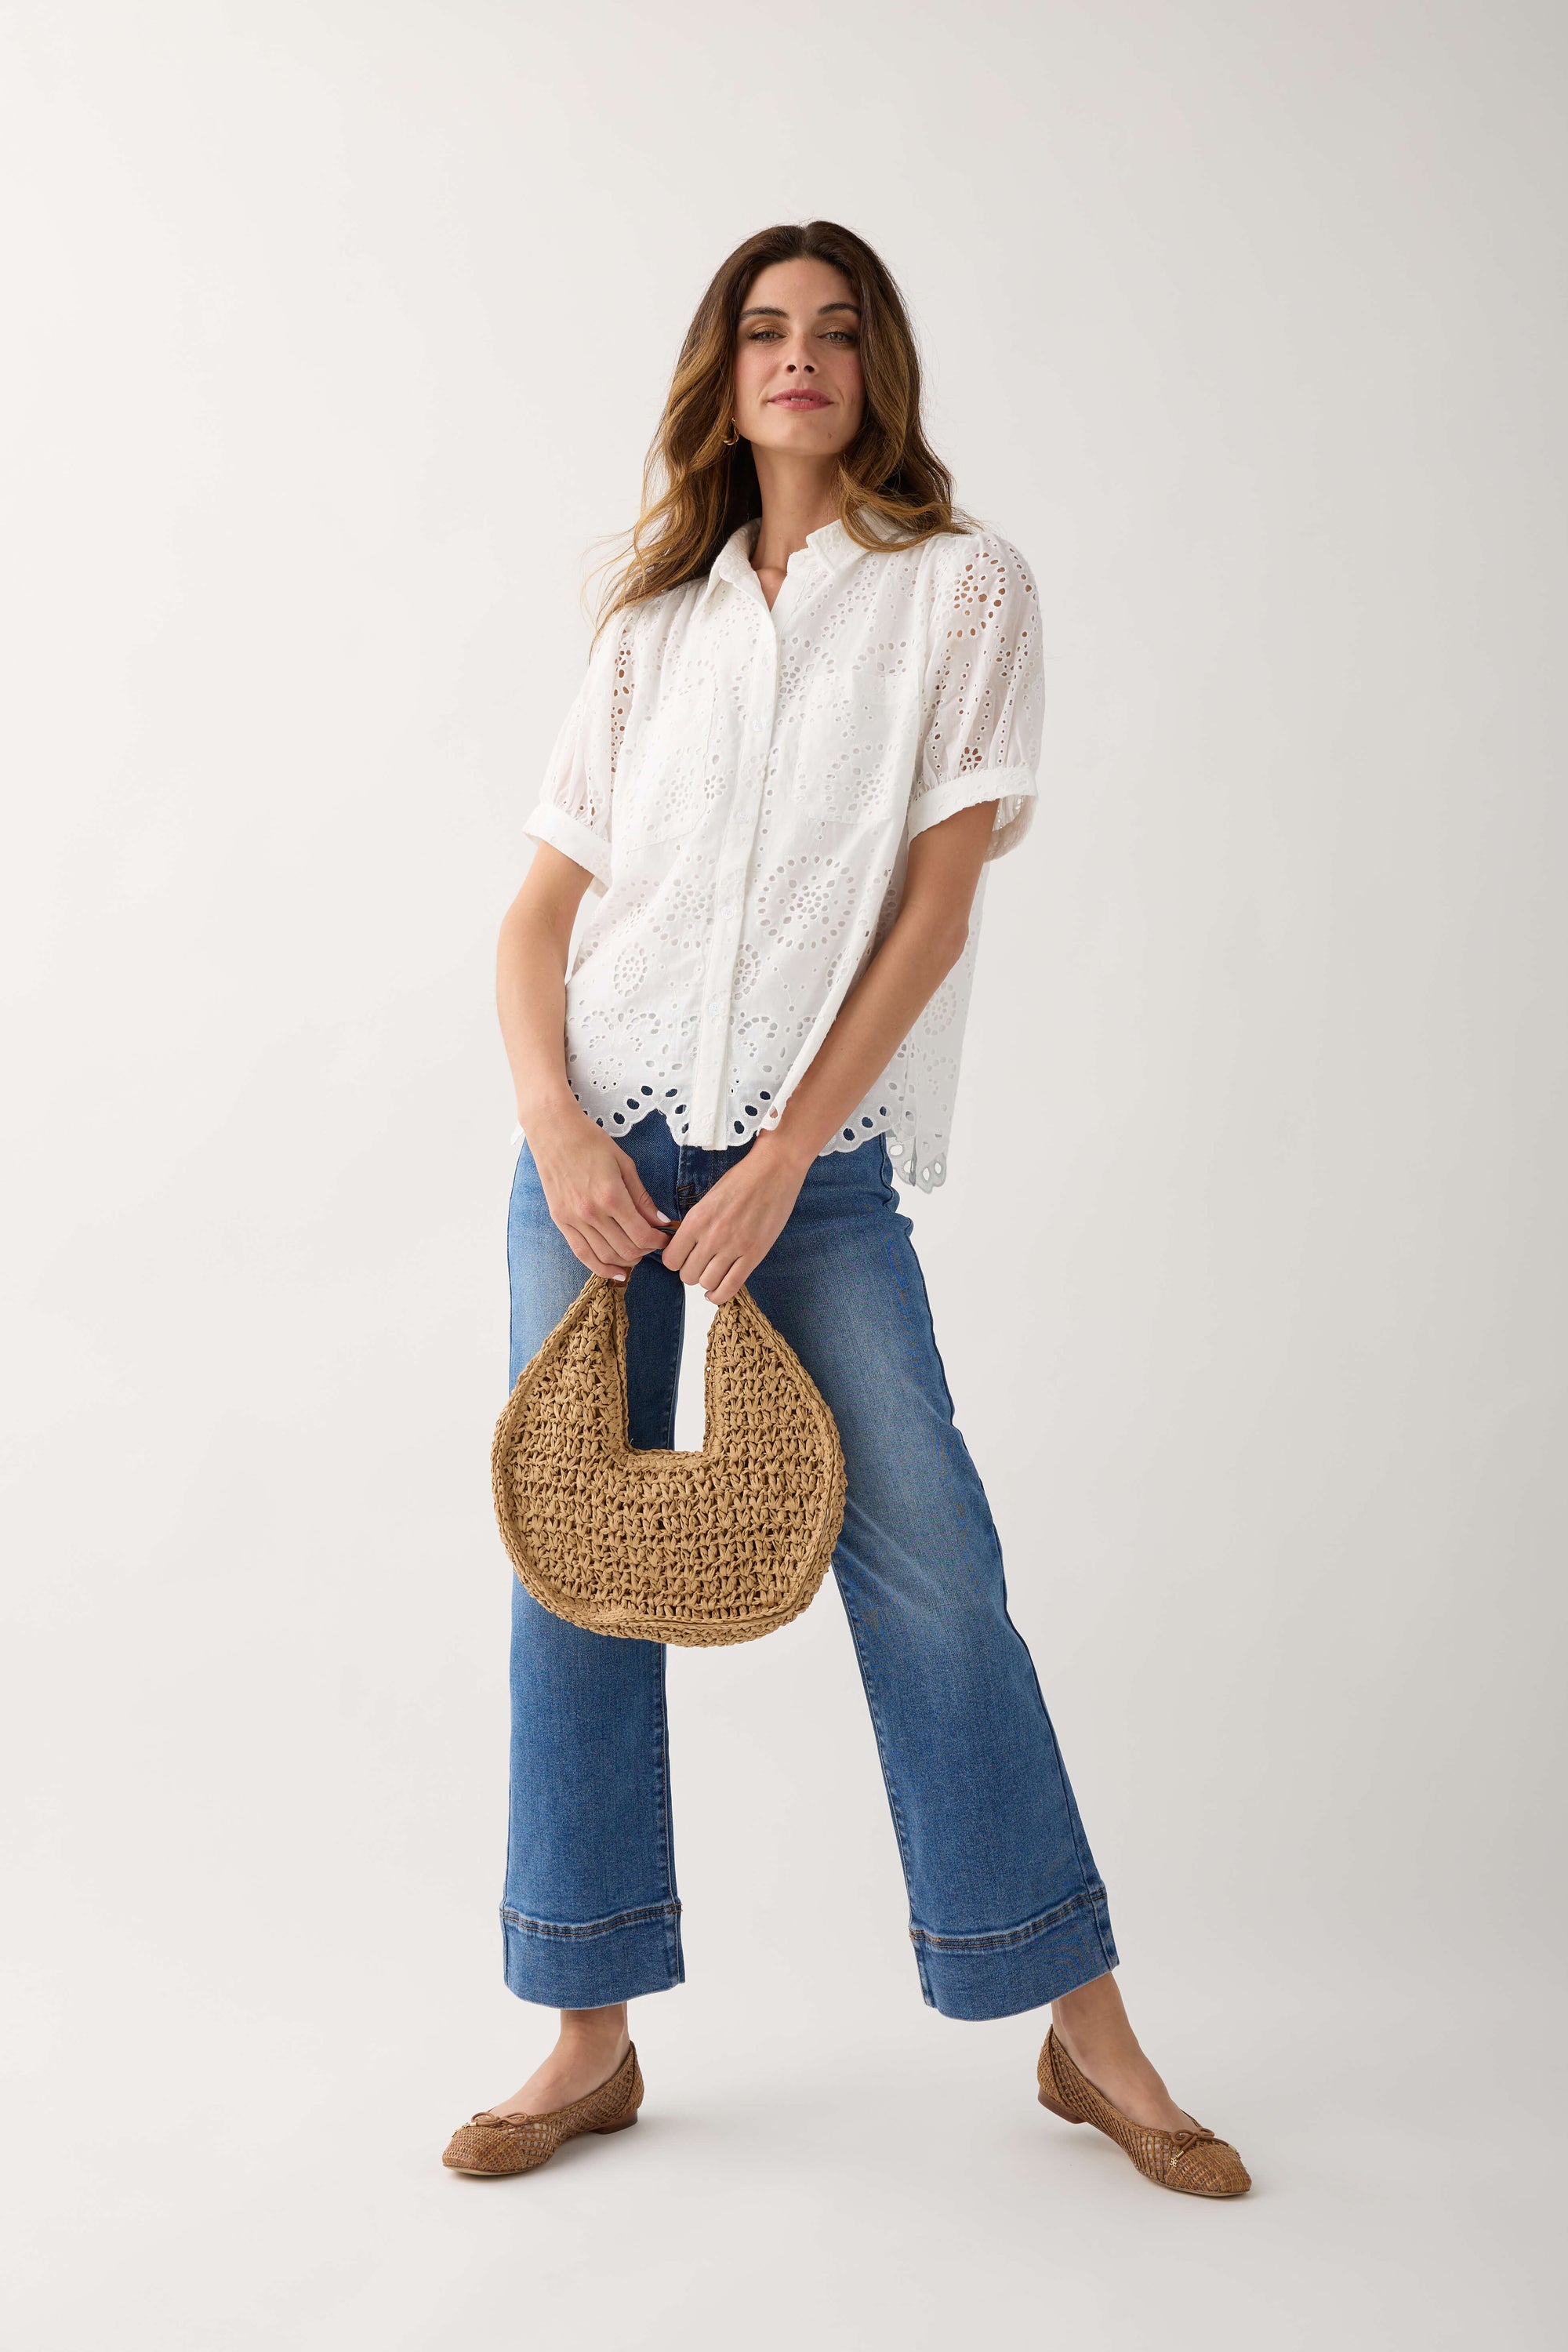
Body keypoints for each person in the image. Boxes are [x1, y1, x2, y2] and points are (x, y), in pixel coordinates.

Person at [443, 221, 1250, 2199]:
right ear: (722, 376)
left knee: (932, 1570)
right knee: (575, 1567)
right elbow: (538, 917)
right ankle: (584, 2034)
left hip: (808, 1168)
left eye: (831, 330)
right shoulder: (652, 627)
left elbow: (937, 906)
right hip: (598, 1153)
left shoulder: (962, 588)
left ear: (876, 365)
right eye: (761, 331)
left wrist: (792, 1153)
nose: (795, 358)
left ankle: (1081, 2029)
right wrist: (557, 1126)